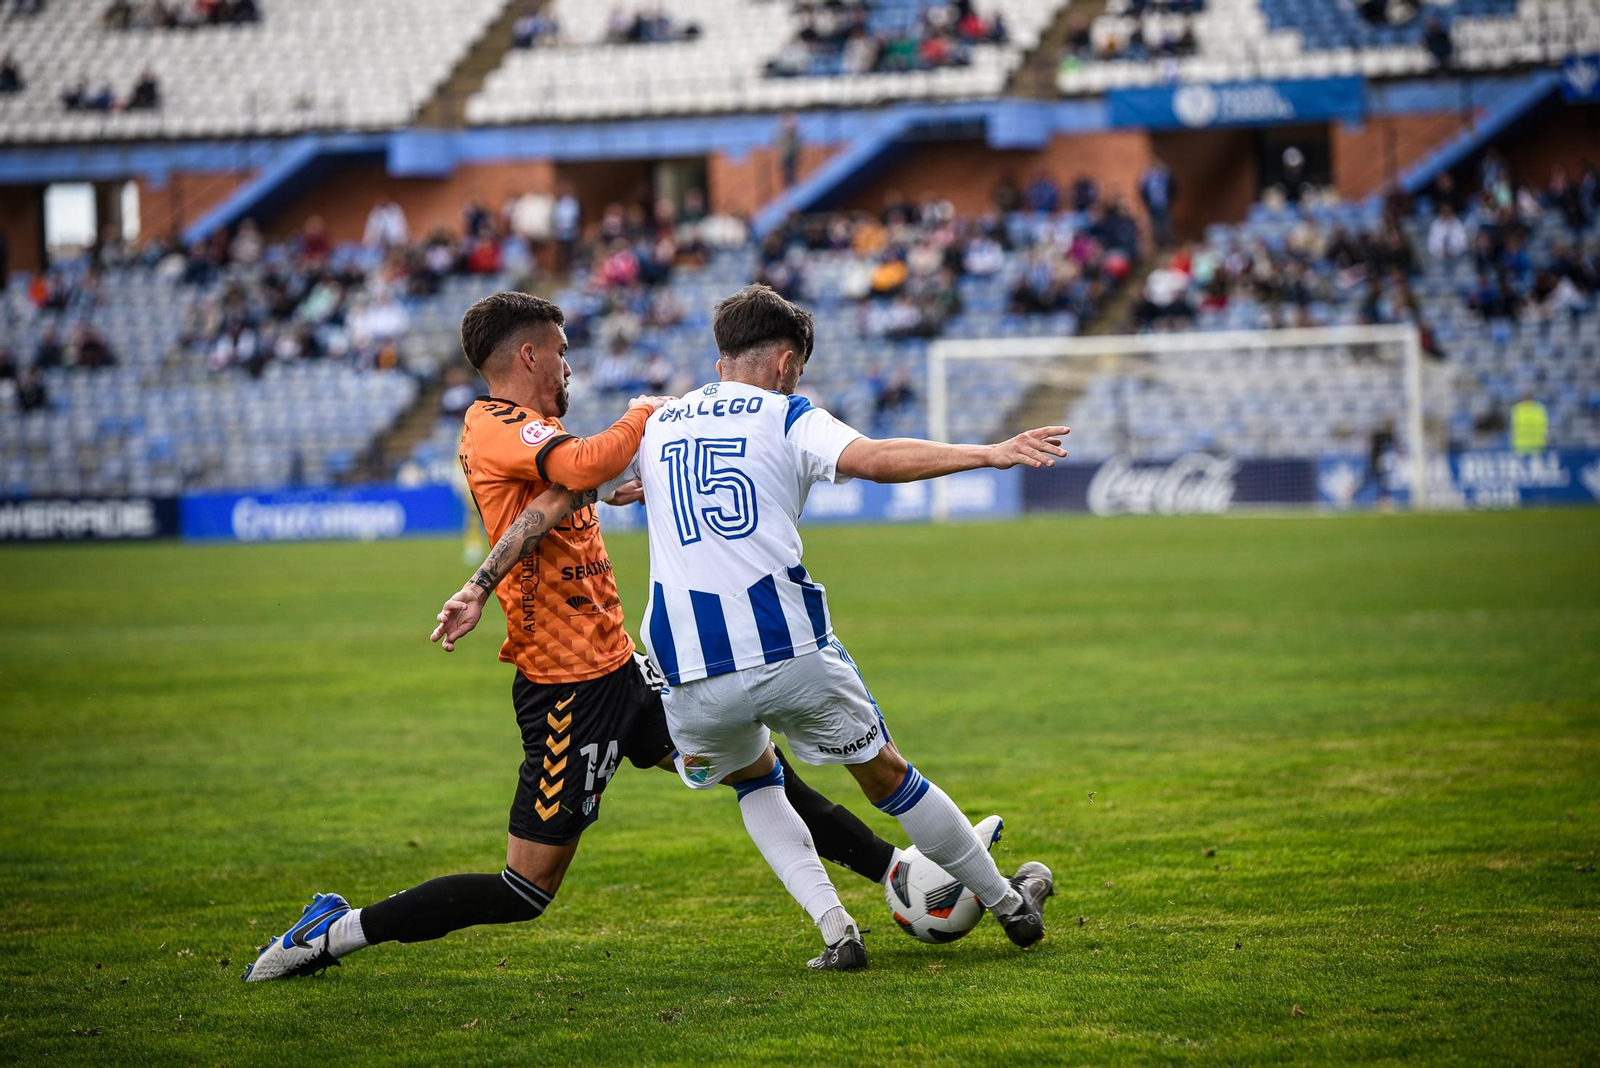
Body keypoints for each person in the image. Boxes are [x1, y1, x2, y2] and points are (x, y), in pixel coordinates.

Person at [242, 293, 924, 980]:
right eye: (562, 351)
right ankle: (335, 931)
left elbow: (557, 498)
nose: (570, 366)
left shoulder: (531, 432)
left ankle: (897, 876)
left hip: (622, 668)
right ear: (530, 354)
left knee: (762, 772)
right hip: (568, 692)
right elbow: (579, 468)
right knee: (524, 890)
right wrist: (641, 413)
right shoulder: (496, 424)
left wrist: (493, 575)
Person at [609, 285, 1061, 968]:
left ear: (723, 351)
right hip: (784, 646)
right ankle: (1007, 904)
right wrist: (990, 453)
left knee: (755, 782)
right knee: (887, 776)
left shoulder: (658, 420)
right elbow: (875, 459)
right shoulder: (786, 412)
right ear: (786, 363)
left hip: (687, 667)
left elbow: (612, 483)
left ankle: (837, 935)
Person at [1139, 160, 1176, 250]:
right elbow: (1143, 191)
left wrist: (1170, 200)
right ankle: (1160, 245)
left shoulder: (1165, 177)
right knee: (1156, 225)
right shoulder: (1148, 179)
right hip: (1153, 206)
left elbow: (1173, 187)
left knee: (1165, 224)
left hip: (1165, 205)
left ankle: (1167, 243)